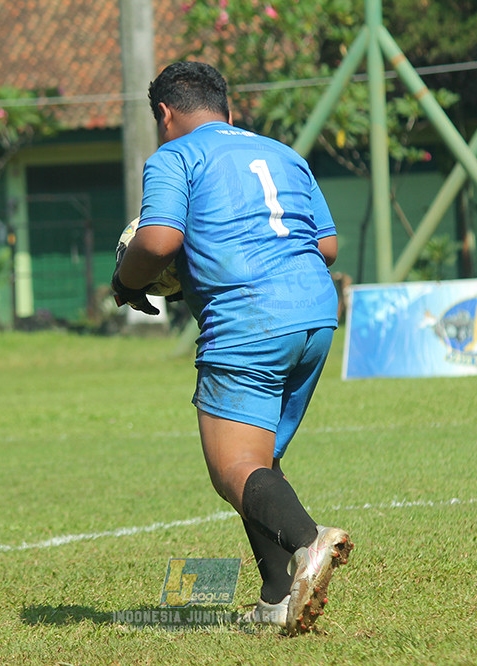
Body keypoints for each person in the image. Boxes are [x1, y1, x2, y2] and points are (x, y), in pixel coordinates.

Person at [111, 61, 352, 636]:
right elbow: (327, 245)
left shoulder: (173, 157)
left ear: (164, 114)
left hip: (249, 318)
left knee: (234, 467)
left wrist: (128, 277)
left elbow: (161, 237)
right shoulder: (284, 154)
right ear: (228, 107)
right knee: (261, 461)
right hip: (315, 312)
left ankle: (307, 541)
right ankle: (275, 598)